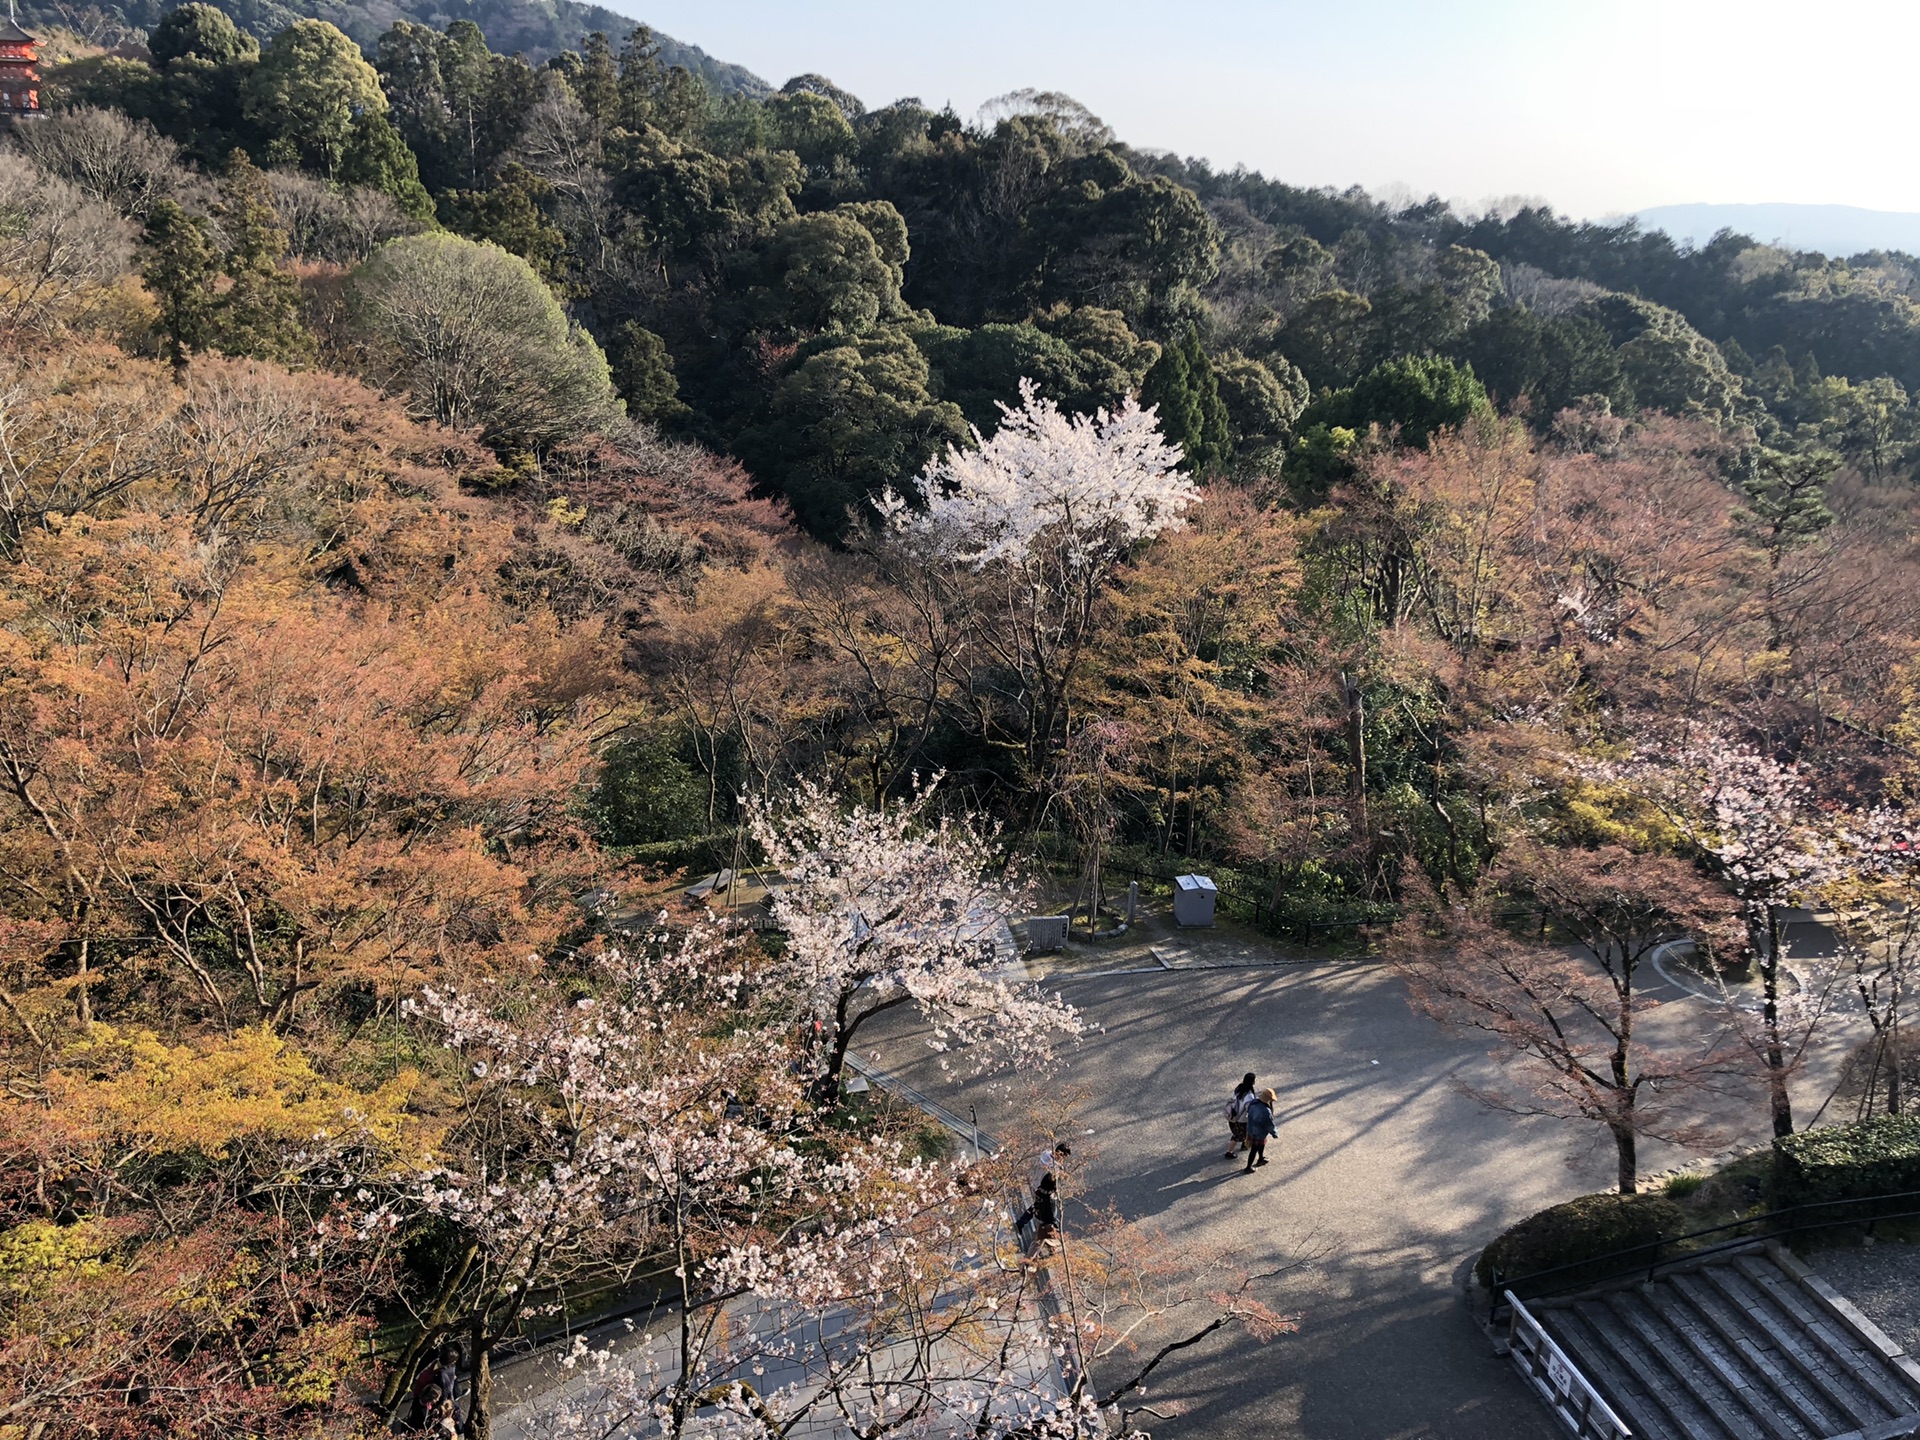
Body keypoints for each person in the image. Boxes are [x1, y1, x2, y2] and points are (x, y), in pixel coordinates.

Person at [1242, 1087, 1278, 1173]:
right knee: (1254, 1149)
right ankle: (1248, 1167)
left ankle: (1261, 1158)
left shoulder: (1254, 1103)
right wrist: (1274, 1133)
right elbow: (1269, 1124)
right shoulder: (1265, 1111)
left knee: (1261, 1144)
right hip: (1259, 1132)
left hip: (1251, 1128)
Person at [1224, 1072, 1256, 1159]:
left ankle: (1244, 1144)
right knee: (1237, 1135)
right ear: (1253, 1082)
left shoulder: (1239, 1088)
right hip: (1241, 1119)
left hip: (1233, 1115)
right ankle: (1229, 1152)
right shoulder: (1249, 1096)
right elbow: (1249, 1109)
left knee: (1240, 1133)